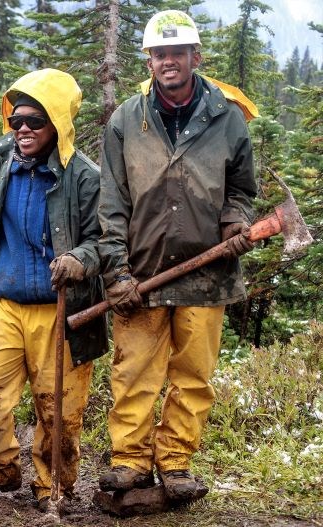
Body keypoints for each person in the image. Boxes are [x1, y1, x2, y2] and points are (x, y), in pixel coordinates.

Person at [97, 10, 258, 501]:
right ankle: (129, 461)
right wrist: (117, 270)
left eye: (177, 52)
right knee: (134, 371)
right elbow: (112, 202)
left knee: (193, 375)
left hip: (207, 272)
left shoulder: (227, 116)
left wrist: (235, 219)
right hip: (141, 272)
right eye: (159, 53)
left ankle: (176, 463)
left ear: (196, 56)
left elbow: (241, 188)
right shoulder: (126, 119)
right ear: (149, 60)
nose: (168, 61)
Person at [0, 69, 108, 511]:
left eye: (34, 121)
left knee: (58, 408)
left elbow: (106, 240)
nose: (22, 130)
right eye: (16, 120)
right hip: (7, 304)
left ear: (57, 123)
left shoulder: (85, 177)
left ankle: (53, 485)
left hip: (63, 307)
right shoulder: (5, 154)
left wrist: (79, 260)